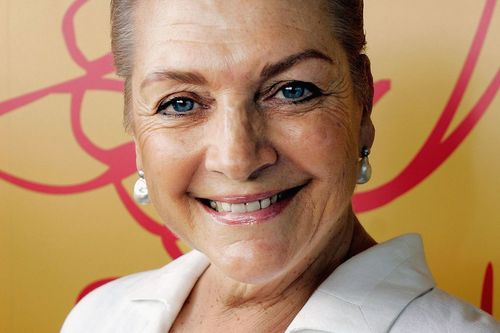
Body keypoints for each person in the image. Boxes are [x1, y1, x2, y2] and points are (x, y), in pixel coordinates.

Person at [61, 0, 499, 332]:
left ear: (362, 106)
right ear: (135, 130)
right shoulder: (96, 317)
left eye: (291, 91)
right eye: (180, 103)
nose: (237, 159)